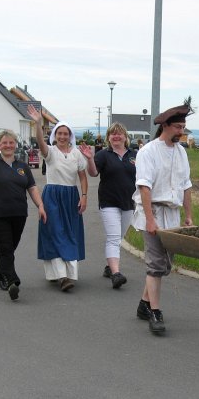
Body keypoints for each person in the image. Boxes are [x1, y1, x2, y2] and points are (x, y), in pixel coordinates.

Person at [131, 98, 195, 333]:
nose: (181, 131)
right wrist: (149, 219)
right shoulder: (148, 152)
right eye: (178, 127)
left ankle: (143, 304)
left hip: (172, 214)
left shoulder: (181, 153)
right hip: (153, 212)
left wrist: (189, 215)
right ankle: (155, 313)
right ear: (166, 126)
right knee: (156, 264)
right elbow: (144, 187)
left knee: (165, 265)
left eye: (183, 127)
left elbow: (186, 185)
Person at [0, 130, 47, 301]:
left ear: (16, 144)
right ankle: (11, 281)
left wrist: (40, 205)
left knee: (7, 248)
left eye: (11, 142)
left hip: (18, 214)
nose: (8, 146)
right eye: (5, 142)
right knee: (6, 248)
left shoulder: (22, 166)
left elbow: (31, 187)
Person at [27, 105, 89, 292]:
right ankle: (62, 277)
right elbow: (40, 142)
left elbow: (83, 177)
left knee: (69, 234)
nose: (62, 136)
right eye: (59, 133)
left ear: (70, 136)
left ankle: (68, 274)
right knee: (55, 233)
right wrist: (38, 124)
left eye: (66, 134)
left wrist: (84, 196)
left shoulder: (77, 154)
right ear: (55, 135)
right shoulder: (51, 152)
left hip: (71, 197)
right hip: (52, 196)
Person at [80, 122, 136, 289]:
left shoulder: (135, 155)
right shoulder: (104, 155)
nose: (116, 136)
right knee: (113, 237)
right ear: (108, 138)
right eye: (113, 134)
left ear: (125, 137)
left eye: (119, 133)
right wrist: (90, 159)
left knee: (118, 237)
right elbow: (93, 172)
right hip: (109, 202)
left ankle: (109, 266)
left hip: (129, 203)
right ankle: (116, 274)